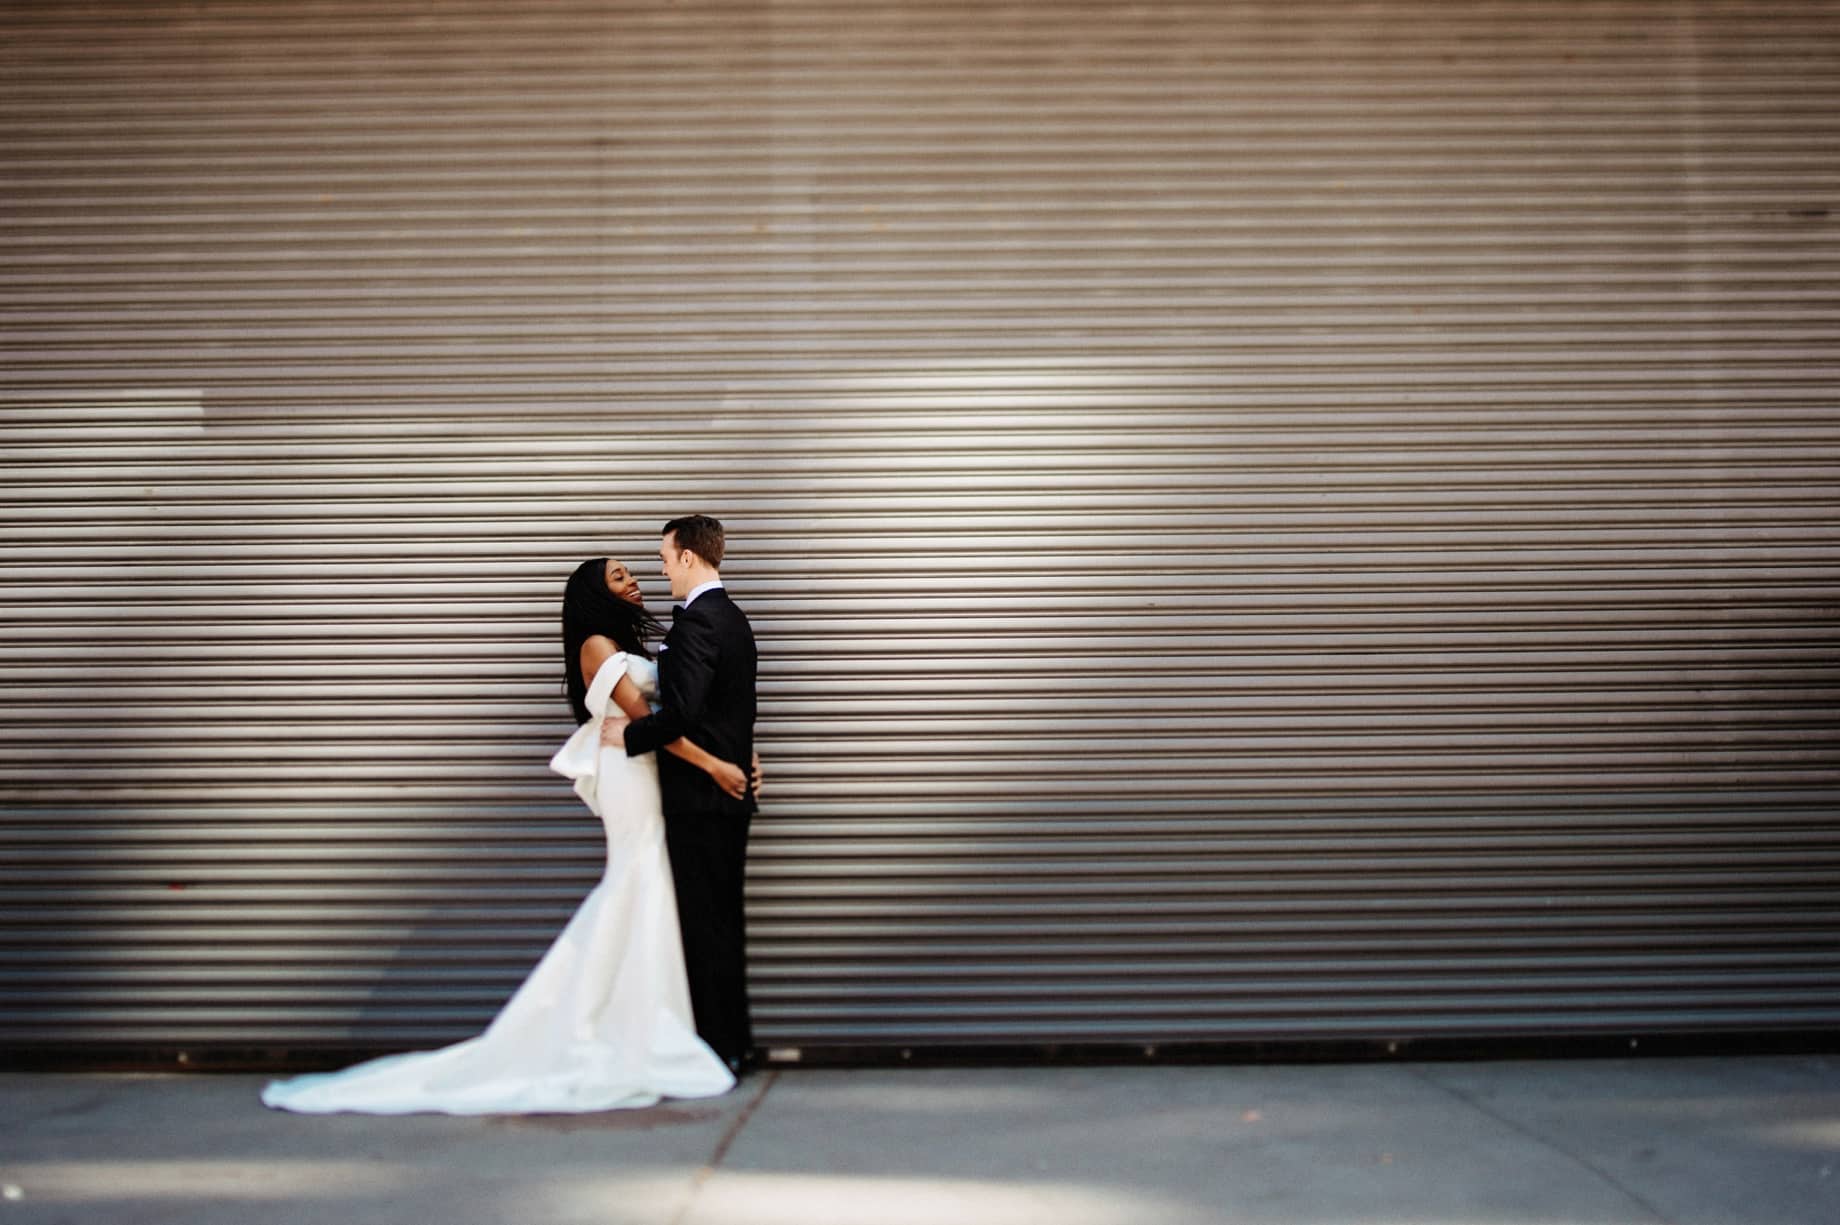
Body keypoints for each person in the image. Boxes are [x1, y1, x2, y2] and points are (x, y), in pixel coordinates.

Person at [260, 557, 741, 1114]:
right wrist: (715, 766)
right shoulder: (597, 647)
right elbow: (649, 723)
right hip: (628, 775)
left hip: (642, 769)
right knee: (639, 875)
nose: (633, 579)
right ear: (595, 594)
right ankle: (609, 1023)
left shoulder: (616, 644)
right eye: (618, 576)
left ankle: (635, 1013)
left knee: (645, 878)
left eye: (632, 571)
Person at [604, 515, 758, 1075]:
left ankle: (717, 1051)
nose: (663, 568)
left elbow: (686, 714)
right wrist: (743, 760)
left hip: (700, 799)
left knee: (703, 928)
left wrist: (631, 734)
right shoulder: (735, 620)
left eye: (666, 557)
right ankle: (738, 1044)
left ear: (689, 557)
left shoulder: (698, 624)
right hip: (726, 796)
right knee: (724, 924)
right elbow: (735, 709)